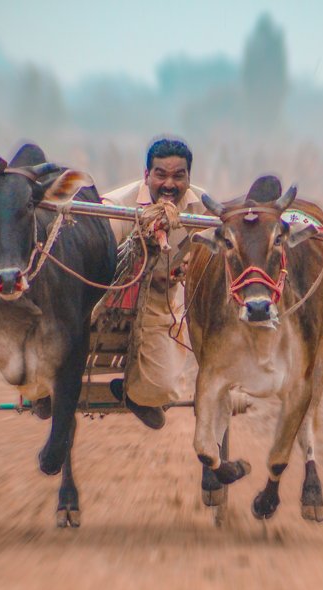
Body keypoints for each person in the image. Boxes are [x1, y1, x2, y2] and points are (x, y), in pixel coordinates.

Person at [100, 137, 209, 429]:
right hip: (117, 303)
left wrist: (193, 264)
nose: (169, 184)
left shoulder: (202, 208)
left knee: (167, 387)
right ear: (146, 175)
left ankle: (138, 392)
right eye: (160, 174)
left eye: (179, 175)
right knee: (163, 389)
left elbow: (215, 252)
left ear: (189, 177)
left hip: (171, 302)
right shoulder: (115, 206)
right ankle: (137, 392)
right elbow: (98, 258)